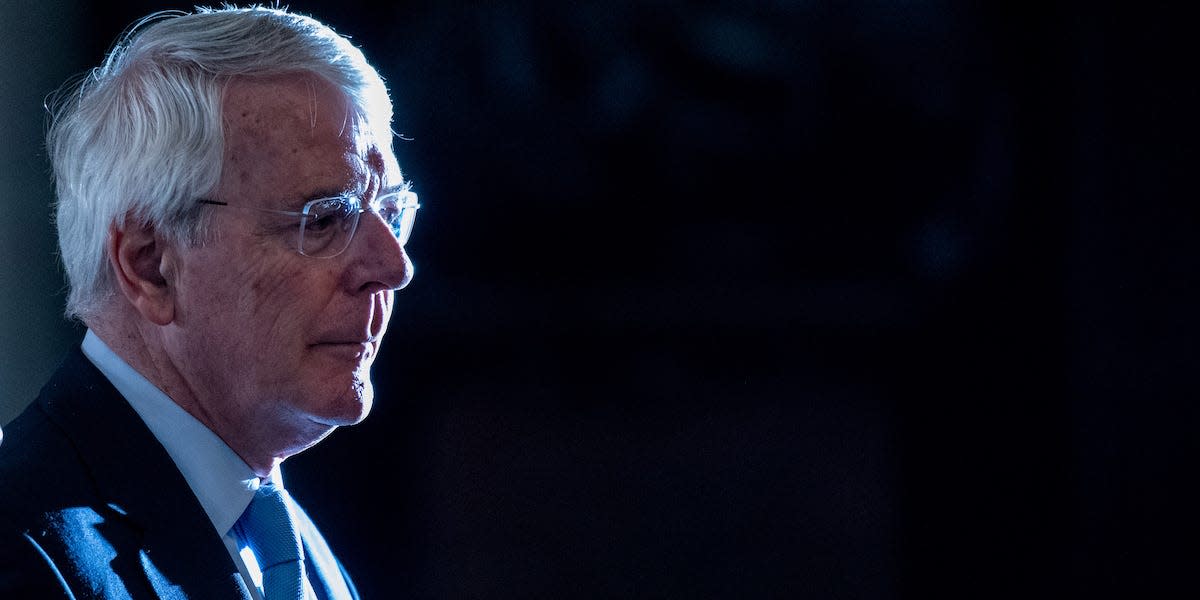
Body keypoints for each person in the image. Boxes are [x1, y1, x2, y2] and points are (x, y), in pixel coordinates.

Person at [0, 5, 418, 598]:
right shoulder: (25, 554)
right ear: (150, 267)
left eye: (393, 214)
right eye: (326, 218)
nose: (392, 268)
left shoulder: (296, 546)